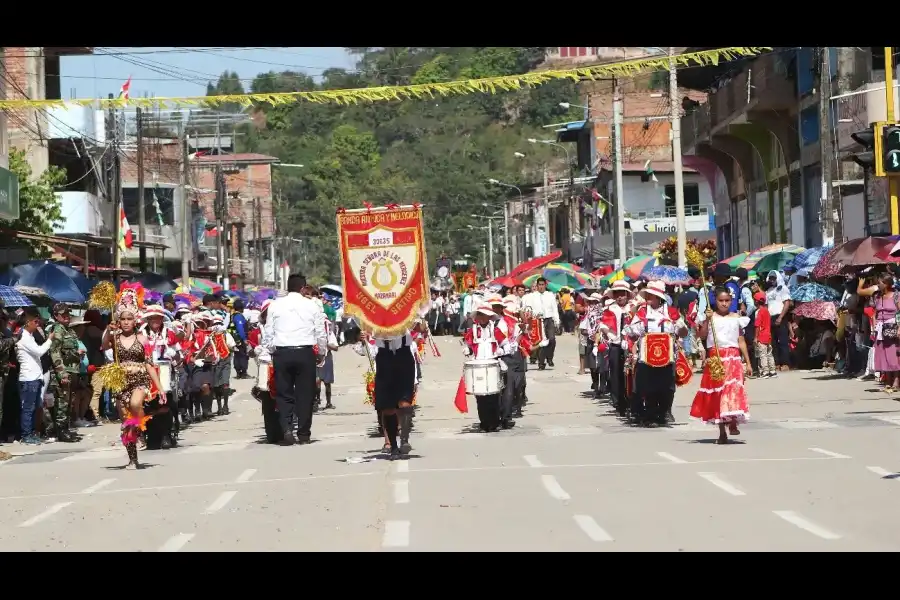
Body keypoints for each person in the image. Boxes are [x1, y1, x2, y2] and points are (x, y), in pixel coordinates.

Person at [100, 284, 165, 469]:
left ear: (135, 320)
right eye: (123, 319)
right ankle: (133, 459)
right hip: (121, 382)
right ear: (118, 321)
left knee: (136, 405)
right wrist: (108, 330)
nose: (126, 322)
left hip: (140, 381)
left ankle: (141, 424)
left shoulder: (142, 339)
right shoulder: (114, 337)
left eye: (129, 318)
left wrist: (159, 388)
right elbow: (104, 345)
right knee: (126, 424)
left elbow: (149, 365)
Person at [264, 273, 327, 446]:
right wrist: (321, 352)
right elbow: (320, 332)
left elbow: (269, 332)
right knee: (305, 394)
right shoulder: (313, 305)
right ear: (303, 288)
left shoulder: (275, 305)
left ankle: (287, 429)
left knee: (284, 394)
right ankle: (304, 434)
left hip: (282, 352)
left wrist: (272, 351)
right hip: (305, 352)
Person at [689, 287, 753, 444]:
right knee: (718, 393)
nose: (724, 304)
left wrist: (748, 362)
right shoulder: (710, 317)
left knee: (733, 390)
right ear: (715, 301)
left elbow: (741, 341)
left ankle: (732, 421)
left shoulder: (736, 317)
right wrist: (707, 320)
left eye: (727, 301)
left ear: (731, 301)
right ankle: (722, 432)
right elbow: (702, 335)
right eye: (721, 301)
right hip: (716, 358)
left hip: (733, 358)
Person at [623, 280, 688, 427]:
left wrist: (681, 326)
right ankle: (651, 415)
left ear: (659, 297)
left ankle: (664, 412)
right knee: (649, 386)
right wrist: (630, 325)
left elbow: (683, 333)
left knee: (667, 386)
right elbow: (633, 332)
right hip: (647, 356)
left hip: (667, 356)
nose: (648, 298)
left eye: (651, 295)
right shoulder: (642, 312)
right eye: (647, 295)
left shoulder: (671, 312)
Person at [463, 301, 511, 432]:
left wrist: (501, 351)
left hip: (493, 365)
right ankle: (484, 422)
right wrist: (467, 350)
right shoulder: (472, 331)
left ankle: (494, 422)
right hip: (478, 366)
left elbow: (507, 346)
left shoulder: (496, 330)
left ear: (490, 316)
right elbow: (467, 345)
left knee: (494, 396)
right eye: (480, 315)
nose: (482, 318)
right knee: (480, 397)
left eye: (485, 315)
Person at [46, 303, 82, 443]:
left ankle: (65, 428)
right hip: (63, 373)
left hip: (71, 370)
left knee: (68, 402)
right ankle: (61, 431)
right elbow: (55, 353)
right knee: (62, 402)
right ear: (56, 316)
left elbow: (68, 351)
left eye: (68, 314)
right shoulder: (58, 330)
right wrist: (62, 373)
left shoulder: (68, 330)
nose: (67, 317)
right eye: (63, 314)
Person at [599, 280, 633, 417]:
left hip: (630, 346)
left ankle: (630, 399)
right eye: (617, 294)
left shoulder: (632, 308)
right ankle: (617, 401)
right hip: (616, 345)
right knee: (616, 374)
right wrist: (610, 336)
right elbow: (603, 326)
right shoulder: (610, 309)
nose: (620, 297)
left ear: (627, 295)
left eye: (622, 294)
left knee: (629, 374)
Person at [13, 309, 45, 444]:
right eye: (35, 322)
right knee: (28, 408)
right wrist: (49, 340)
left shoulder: (30, 336)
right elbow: (39, 351)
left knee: (34, 407)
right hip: (28, 379)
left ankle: (31, 433)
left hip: (35, 377)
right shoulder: (24, 337)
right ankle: (26, 435)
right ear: (27, 323)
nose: (37, 324)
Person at [522, 278, 560, 369]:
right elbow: (528, 309)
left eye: (543, 285)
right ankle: (541, 363)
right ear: (537, 285)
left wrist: (557, 321)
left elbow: (554, 308)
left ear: (545, 285)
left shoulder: (550, 295)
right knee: (541, 342)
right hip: (538, 320)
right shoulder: (532, 296)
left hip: (549, 319)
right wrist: (533, 316)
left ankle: (549, 357)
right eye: (540, 285)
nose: (541, 286)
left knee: (551, 339)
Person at [766, 271, 793, 371]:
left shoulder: (783, 288)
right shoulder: (768, 291)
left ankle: (785, 363)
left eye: (774, 278)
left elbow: (786, 303)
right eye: (771, 278)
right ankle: (776, 363)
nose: (772, 280)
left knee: (783, 341)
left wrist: (781, 317)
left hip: (780, 316)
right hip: (770, 317)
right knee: (773, 342)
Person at [315, 319, 340, 411]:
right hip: (316, 357)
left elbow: (336, 347)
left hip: (327, 357)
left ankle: (328, 402)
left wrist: (325, 343)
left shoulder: (329, 334)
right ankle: (316, 401)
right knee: (316, 380)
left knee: (327, 382)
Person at [754, 291, 775, 378]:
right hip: (768, 335)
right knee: (769, 354)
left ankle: (765, 371)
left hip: (761, 336)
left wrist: (755, 337)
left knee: (762, 355)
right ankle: (772, 371)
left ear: (756, 301)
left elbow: (757, 325)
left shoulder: (759, 312)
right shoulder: (767, 311)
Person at [230, 299, 250, 379]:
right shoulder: (238, 316)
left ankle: (238, 372)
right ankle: (243, 373)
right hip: (240, 339)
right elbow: (240, 328)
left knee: (237, 355)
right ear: (241, 308)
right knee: (243, 355)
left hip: (235, 339)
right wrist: (244, 339)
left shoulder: (233, 315)